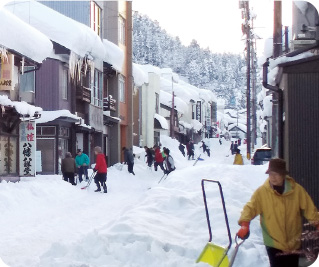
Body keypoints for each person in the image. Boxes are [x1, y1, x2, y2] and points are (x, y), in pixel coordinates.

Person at [237, 158, 319, 267]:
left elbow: (310, 210)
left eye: (276, 174)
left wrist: (317, 223)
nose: (273, 177)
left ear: (283, 175)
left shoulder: (297, 191)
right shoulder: (262, 192)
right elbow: (250, 208)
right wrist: (244, 224)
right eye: (270, 174)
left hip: (293, 242)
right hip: (273, 242)